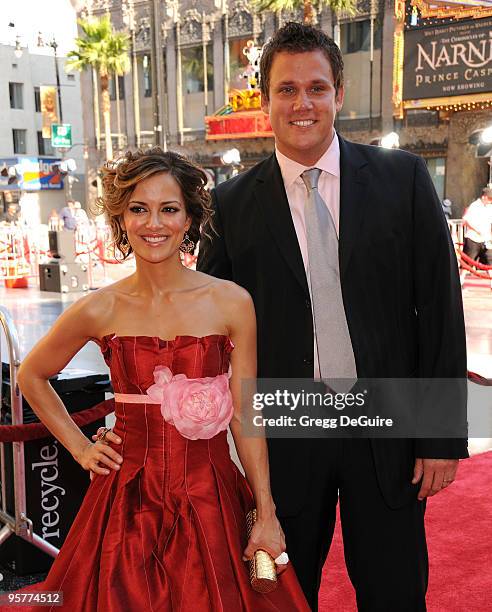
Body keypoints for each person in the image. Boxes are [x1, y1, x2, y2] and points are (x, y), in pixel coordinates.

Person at [197, 22, 467, 612]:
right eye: (286, 89)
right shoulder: (232, 205)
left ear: (338, 94)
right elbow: (206, 327)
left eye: (316, 88)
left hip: (386, 421)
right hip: (286, 428)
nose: (302, 103)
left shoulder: (403, 180)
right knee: (286, 594)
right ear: (265, 101)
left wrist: (441, 433)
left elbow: (441, 312)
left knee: (395, 590)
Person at [17, 149, 309, 611]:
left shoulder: (231, 302)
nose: (154, 223)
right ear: (121, 218)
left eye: (169, 209)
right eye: (139, 209)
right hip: (125, 501)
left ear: (190, 218)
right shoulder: (100, 307)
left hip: (211, 496)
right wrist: (80, 447)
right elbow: (32, 375)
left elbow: (246, 415)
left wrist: (266, 510)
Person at [462, 186, 492, 268]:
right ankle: (461, 279)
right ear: (484, 197)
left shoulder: (489, 208)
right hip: (473, 238)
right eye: (489, 199)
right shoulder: (474, 206)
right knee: (467, 263)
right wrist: (476, 230)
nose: (490, 201)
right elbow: (466, 220)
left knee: (489, 263)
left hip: (485, 239)